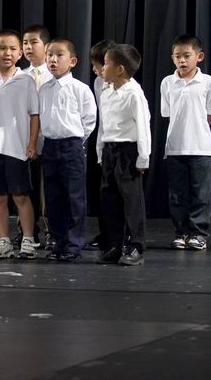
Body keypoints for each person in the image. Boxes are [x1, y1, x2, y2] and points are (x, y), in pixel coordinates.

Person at [0, 30, 40, 259]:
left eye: (13, 49)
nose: (7, 53)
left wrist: (32, 142)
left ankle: (28, 240)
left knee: (20, 196)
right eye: (2, 48)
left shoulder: (26, 81)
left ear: (20, 53)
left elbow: (34, 114)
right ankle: (3, 241)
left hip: (17, 147)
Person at [39, 38, 97, 261]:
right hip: (50, 146)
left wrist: (77, 141)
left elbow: (89, 120)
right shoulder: (44, 89)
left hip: (71, 146)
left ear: (72, 61)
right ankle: (59, 241)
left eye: (59, 55)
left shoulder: (80, 89)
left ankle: (73, 245)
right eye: (49, 55)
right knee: (53, 198)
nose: (53, 60)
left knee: (74, 198)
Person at [160, 34, 211, 251]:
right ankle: (182, 232)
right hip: (175, 147)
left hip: (201, 148)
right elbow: (167, 113)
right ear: (172, 58)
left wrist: (196, 132)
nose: (182, 60)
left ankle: (198, 234)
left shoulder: (208, 82)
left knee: (201, 194)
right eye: (178, 56)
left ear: (199, 57)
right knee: (178, 195)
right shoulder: (168, 82)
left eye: (187, 56)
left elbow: (210, 114)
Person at [96, 43, 151, 266]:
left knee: (131, 200)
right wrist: (100, 151)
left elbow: (143, 126)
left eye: (105, 64)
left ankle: (135, 245)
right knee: (110, 199)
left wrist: (143, 157)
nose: (101, 68)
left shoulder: (134, 94)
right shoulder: (106, 92)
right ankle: (115, 244)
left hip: (128, 152)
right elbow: (103, 125)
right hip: (110, 150)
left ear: (120, 69)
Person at [22, 24, 52, 249]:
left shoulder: (54, 75)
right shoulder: (20, 76)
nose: (28, 47)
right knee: (25, 190)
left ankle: (52, 232)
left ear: (46, 46)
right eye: (25, 43)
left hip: (48, 142)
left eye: (34, 42)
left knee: (48, 192)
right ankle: (27, 233)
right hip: (24, 143)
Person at [86, 39, 116, 250]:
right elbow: (102, 117)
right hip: (104, 141)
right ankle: (106, 233)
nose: (95, 70)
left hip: (122, 144)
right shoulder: (98, 83)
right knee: (104, 192)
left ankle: (124, 235)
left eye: (98, 65)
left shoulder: (128, 87)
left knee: (121, 193)